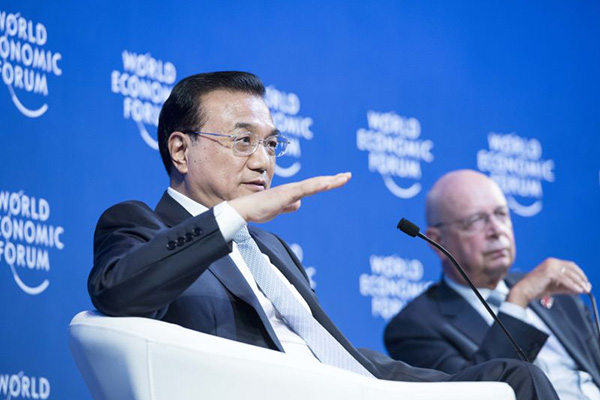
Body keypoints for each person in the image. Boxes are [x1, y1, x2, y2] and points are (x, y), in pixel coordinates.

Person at [88, 71, 560, 399]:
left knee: (515, 380)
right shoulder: (138, 223)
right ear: (180, 150)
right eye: (242, 140)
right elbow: (119, 292)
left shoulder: (270, 248)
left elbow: (330, 350)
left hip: (352, 385)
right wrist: (230, 216)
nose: (263, 160)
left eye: (271, 143)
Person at [384, 169, 600, 399]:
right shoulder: (415, 327)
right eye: (476, 220)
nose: (497, 230)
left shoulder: (557, 292)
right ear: (437, 241)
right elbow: (476, 394)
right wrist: (518, 300)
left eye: (501, 214)